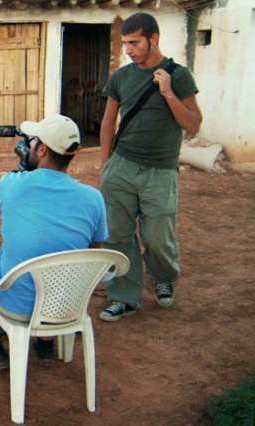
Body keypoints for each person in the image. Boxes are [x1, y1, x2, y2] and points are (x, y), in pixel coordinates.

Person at [0, 114, 109, 372]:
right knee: (57, 264)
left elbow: (8, 216)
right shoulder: (93, 198)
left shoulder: (10, 184)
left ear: (41, 149)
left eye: (33, 141)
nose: (28, 145)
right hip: (66, 306)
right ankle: (46, 342)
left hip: (16, 307)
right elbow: (94, 252)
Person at [98, 13, 202, 322]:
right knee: (117, 235)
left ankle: (163, 275)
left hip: (160, 169)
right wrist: (106, 164)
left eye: (134, 43)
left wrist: (168, 92)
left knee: (158, 237)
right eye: (125, 43)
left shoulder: (179, 75)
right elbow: (108, 121)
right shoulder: (121, 77)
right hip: (122, 166)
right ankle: (123, 296)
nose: (128, 49)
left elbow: (193, 125)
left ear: (153, 39)